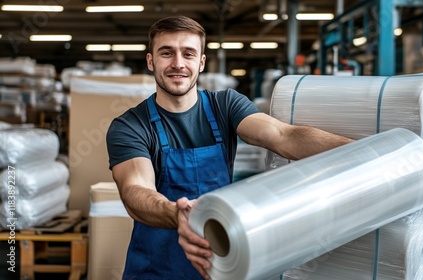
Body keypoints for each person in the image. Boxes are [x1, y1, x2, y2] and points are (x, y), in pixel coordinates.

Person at [106, 15, 353, 280]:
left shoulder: (224, 105)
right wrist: (177, 213)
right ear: (150, 61)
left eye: (188, 54)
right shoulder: (130, 126)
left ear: (201, 63)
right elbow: (135, 190)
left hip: (221, 265)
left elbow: (282, 136)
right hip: (155, 270)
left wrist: (363, 151)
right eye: (167, 53)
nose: (178, 64)